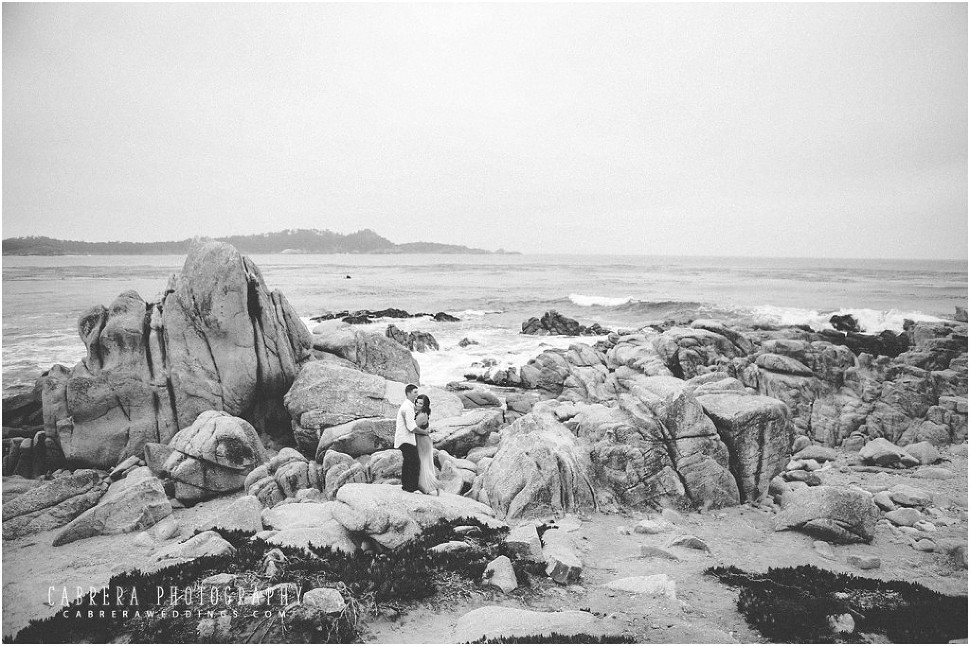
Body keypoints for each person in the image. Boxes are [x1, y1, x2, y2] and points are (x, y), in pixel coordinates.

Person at [395, 384, 420, 492]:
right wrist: (424, 432)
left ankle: (406, 486)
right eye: (415, 392)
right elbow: (411, 427)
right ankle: (412, 487)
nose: (417, 395)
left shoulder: (408, 406)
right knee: (415, 462)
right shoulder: (407, 407)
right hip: (405, 439)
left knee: (408, 461)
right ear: (408, 393)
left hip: (403, 438)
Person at [413, 394, 440, 495]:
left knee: (423, 465)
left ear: (425, 405)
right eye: (417, 402)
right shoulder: (421, 413)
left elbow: (412, 427)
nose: (418, 405)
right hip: (422, 440)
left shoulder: (422, 415)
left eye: (421, 403)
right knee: (425, 465)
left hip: (422, 441)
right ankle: (433, 486)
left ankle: (424, 489)